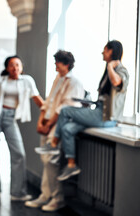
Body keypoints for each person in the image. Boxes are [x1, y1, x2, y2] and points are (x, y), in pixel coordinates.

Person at [36, 40, 129, 181]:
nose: (102, 53)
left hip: (107, 118)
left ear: (111, 51)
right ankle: (72, 164)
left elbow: (116, 82)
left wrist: (110, 65)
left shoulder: (120, 70)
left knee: (66, 110)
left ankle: (54, 144)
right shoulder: (106, 70)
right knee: (67, 129)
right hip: (98, 111)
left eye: (104, 50)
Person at [25, 50, 84, 212]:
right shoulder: (57, 79)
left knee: (51, 162)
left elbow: (64, 109)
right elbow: (48, 102)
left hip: (56, 127)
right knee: (46, 161)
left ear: (65, 64)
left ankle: (57, 198)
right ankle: (45, 195)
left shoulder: (74, 83)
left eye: (57, 62)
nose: (55, 65)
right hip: (47, 124)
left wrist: (49, 125)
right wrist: (40, 122)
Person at [0, 56, 44, 202]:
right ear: (7, 68)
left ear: (21, 67)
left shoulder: (27, 81)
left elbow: (37, 99)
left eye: (17, 65)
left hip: (11, 118)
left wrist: (49, 114)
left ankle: (17, 193)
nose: (15, 68)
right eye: (11, 65)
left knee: (19, 154)